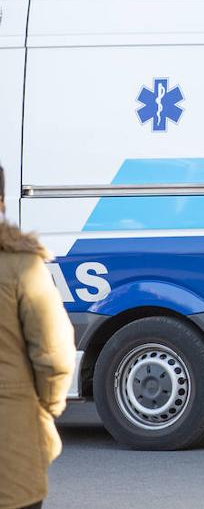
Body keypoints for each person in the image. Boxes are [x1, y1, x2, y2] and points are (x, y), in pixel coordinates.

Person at [0, 166, 77, 509]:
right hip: (10, 447)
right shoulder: (21, 266)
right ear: (2, 203)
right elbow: (54, 354)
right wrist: (45, 410)